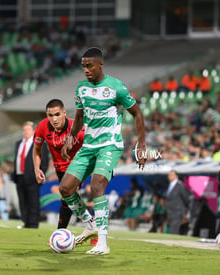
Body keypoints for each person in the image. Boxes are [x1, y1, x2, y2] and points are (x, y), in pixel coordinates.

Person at [59, 47, 146, 255]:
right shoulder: (81, 88)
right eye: (83, 66)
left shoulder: (117, 87)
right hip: (88, 146)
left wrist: (141, 143)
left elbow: (137, 113)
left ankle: (103, 242)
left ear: (100, 65)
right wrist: (71, 136)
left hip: (110, 145)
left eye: (89, 66)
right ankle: (89, 224)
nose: (86, 70)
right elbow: (79, 116)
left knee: (96, 185)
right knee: (65, 188)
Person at [33, 99, 85, 229]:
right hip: (59, 168)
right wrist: (36, 168)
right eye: (50, 115)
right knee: (68, 200)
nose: (54, 119)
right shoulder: (42, 126)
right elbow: (37, 150)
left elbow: (92, 146)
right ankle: (91, 223)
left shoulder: (77, 128)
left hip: (76, 166)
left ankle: (60, 232)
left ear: (64, 113)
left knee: (68, 195)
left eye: (57, 114)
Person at [13, 121, 49, 228]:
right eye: (24, 130)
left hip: (32, 176)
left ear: (33, 131)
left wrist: (39, 173)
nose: (25, 132)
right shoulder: (18, 143)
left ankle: (33, 223)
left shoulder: (39, 143)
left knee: (33, 200)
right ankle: (26, 221)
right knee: (22, 200)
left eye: (28, 129)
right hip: (19, 175)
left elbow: (45, 161)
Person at [165, 170, 191, 235]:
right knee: (171, 229)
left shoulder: (180, 185)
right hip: (170, 212)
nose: (169, 177)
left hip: (177, 212)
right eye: (169, 175)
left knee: (174, 230)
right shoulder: (169, 185)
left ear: (176, 176)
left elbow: (186, 198)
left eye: (171, 175)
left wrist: (185, 209)